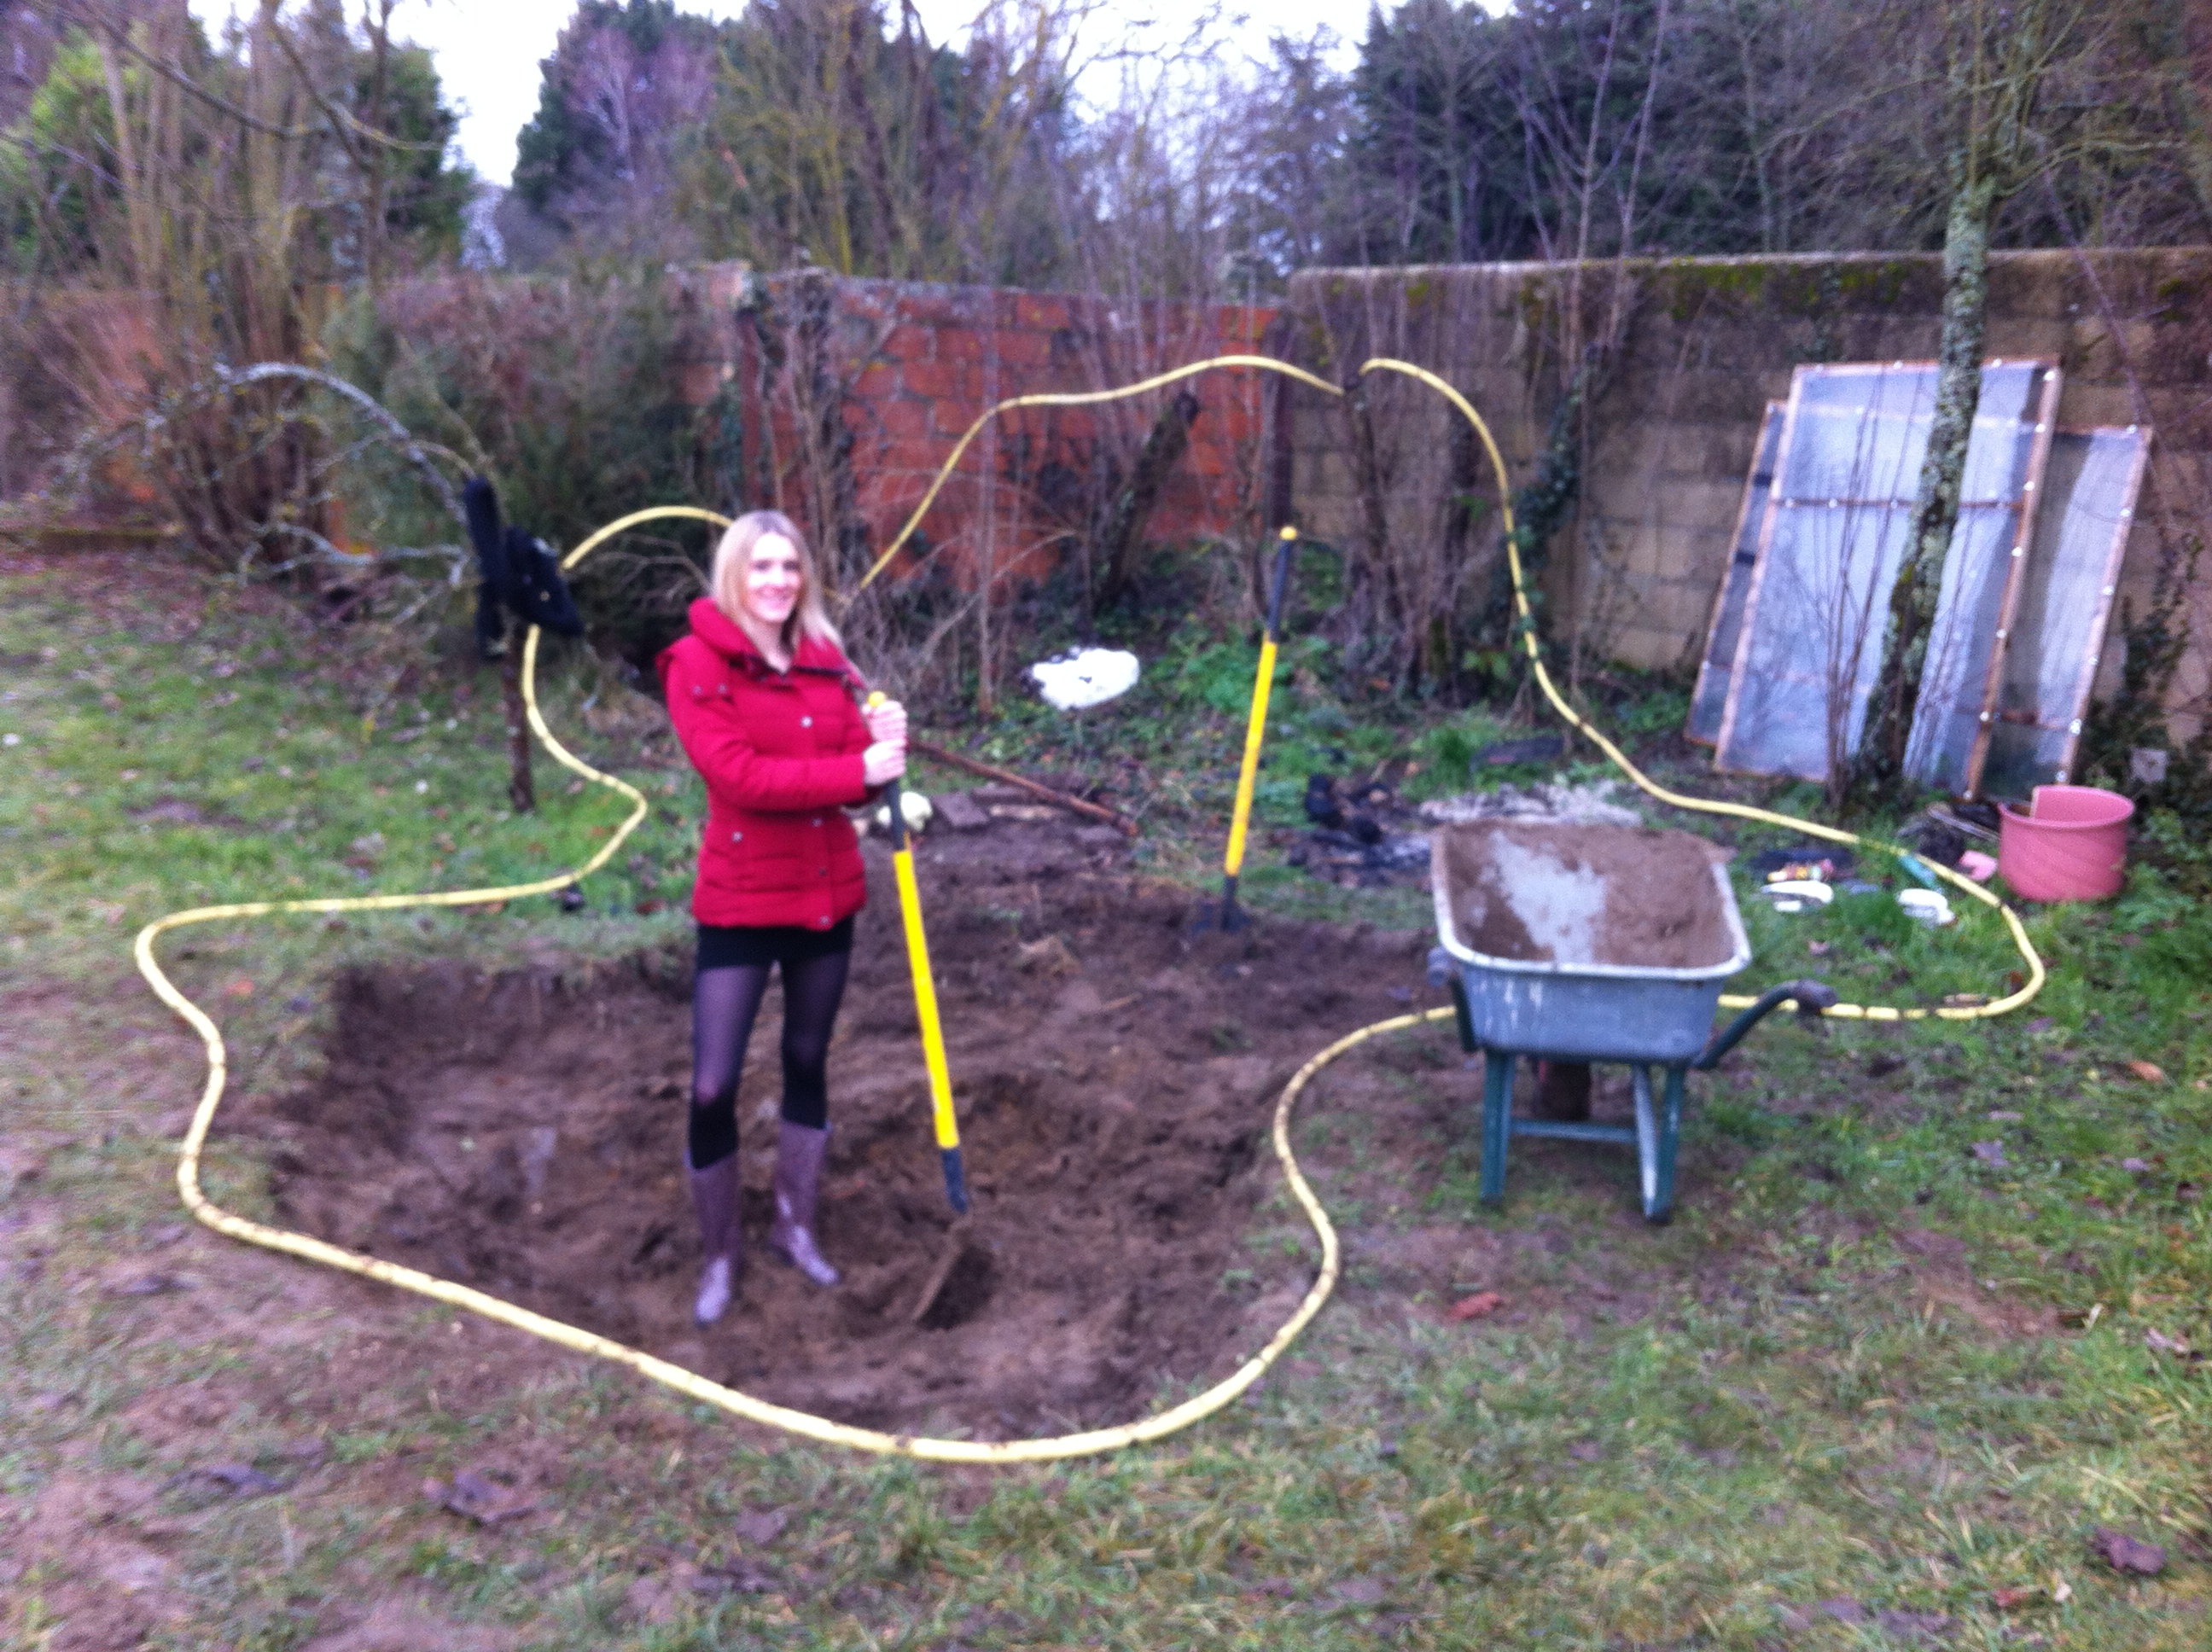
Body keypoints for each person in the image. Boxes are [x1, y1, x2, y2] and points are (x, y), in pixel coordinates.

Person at [658, 510, 907, 1326]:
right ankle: (720, 1251)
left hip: (823, 892)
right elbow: (742, 779)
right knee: (712, 1083)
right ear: (735, 574)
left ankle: (795, 1227)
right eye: (761, 566)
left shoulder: (829, 666)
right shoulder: (696, 664)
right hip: (740, 898)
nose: (777, 581)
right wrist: (854, 768)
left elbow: (858, 783)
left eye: (790, 567)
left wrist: (883, 754)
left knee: (807, 1057)